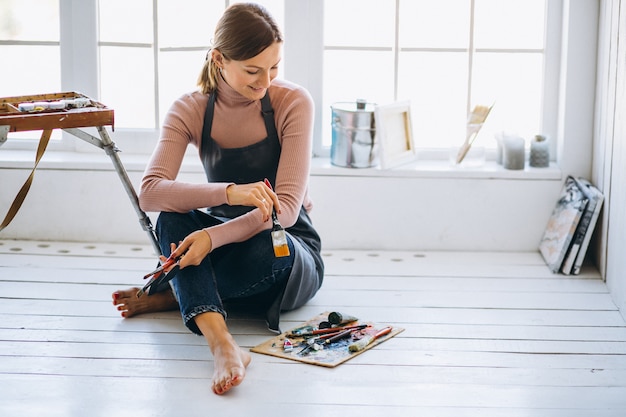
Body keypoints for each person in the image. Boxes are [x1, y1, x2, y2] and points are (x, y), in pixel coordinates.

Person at [111, 2, 324, 395]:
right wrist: (230, 193)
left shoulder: (293, 102)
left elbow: (288, 210)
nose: (265, 81)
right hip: (223, 241)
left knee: (270, 248)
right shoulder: (190, 109)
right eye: (252, 70)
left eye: (274, 67)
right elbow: (150, 192)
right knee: (171, 221)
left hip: (284, 244)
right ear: (219, 59)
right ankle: (222, 342)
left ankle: (180, 295)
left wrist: (210, 239)